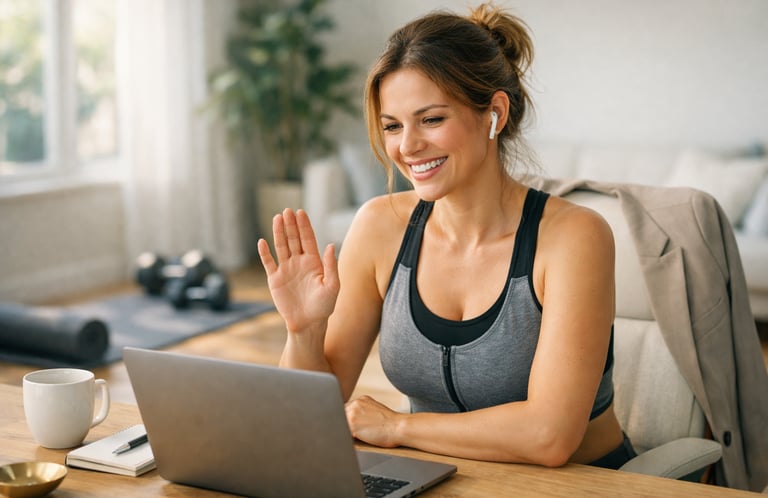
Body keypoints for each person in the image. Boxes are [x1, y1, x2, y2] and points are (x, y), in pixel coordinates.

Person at [257, 2, 636, 469]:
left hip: (585, 485)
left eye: (431, 119)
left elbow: (549, 437)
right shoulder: (380, 227)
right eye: (392, 126)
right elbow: (306, 415)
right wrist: (305, 330)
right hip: (442, 477)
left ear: (494, 112)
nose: (408, 146)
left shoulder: (574, 236)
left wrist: (396, 426)